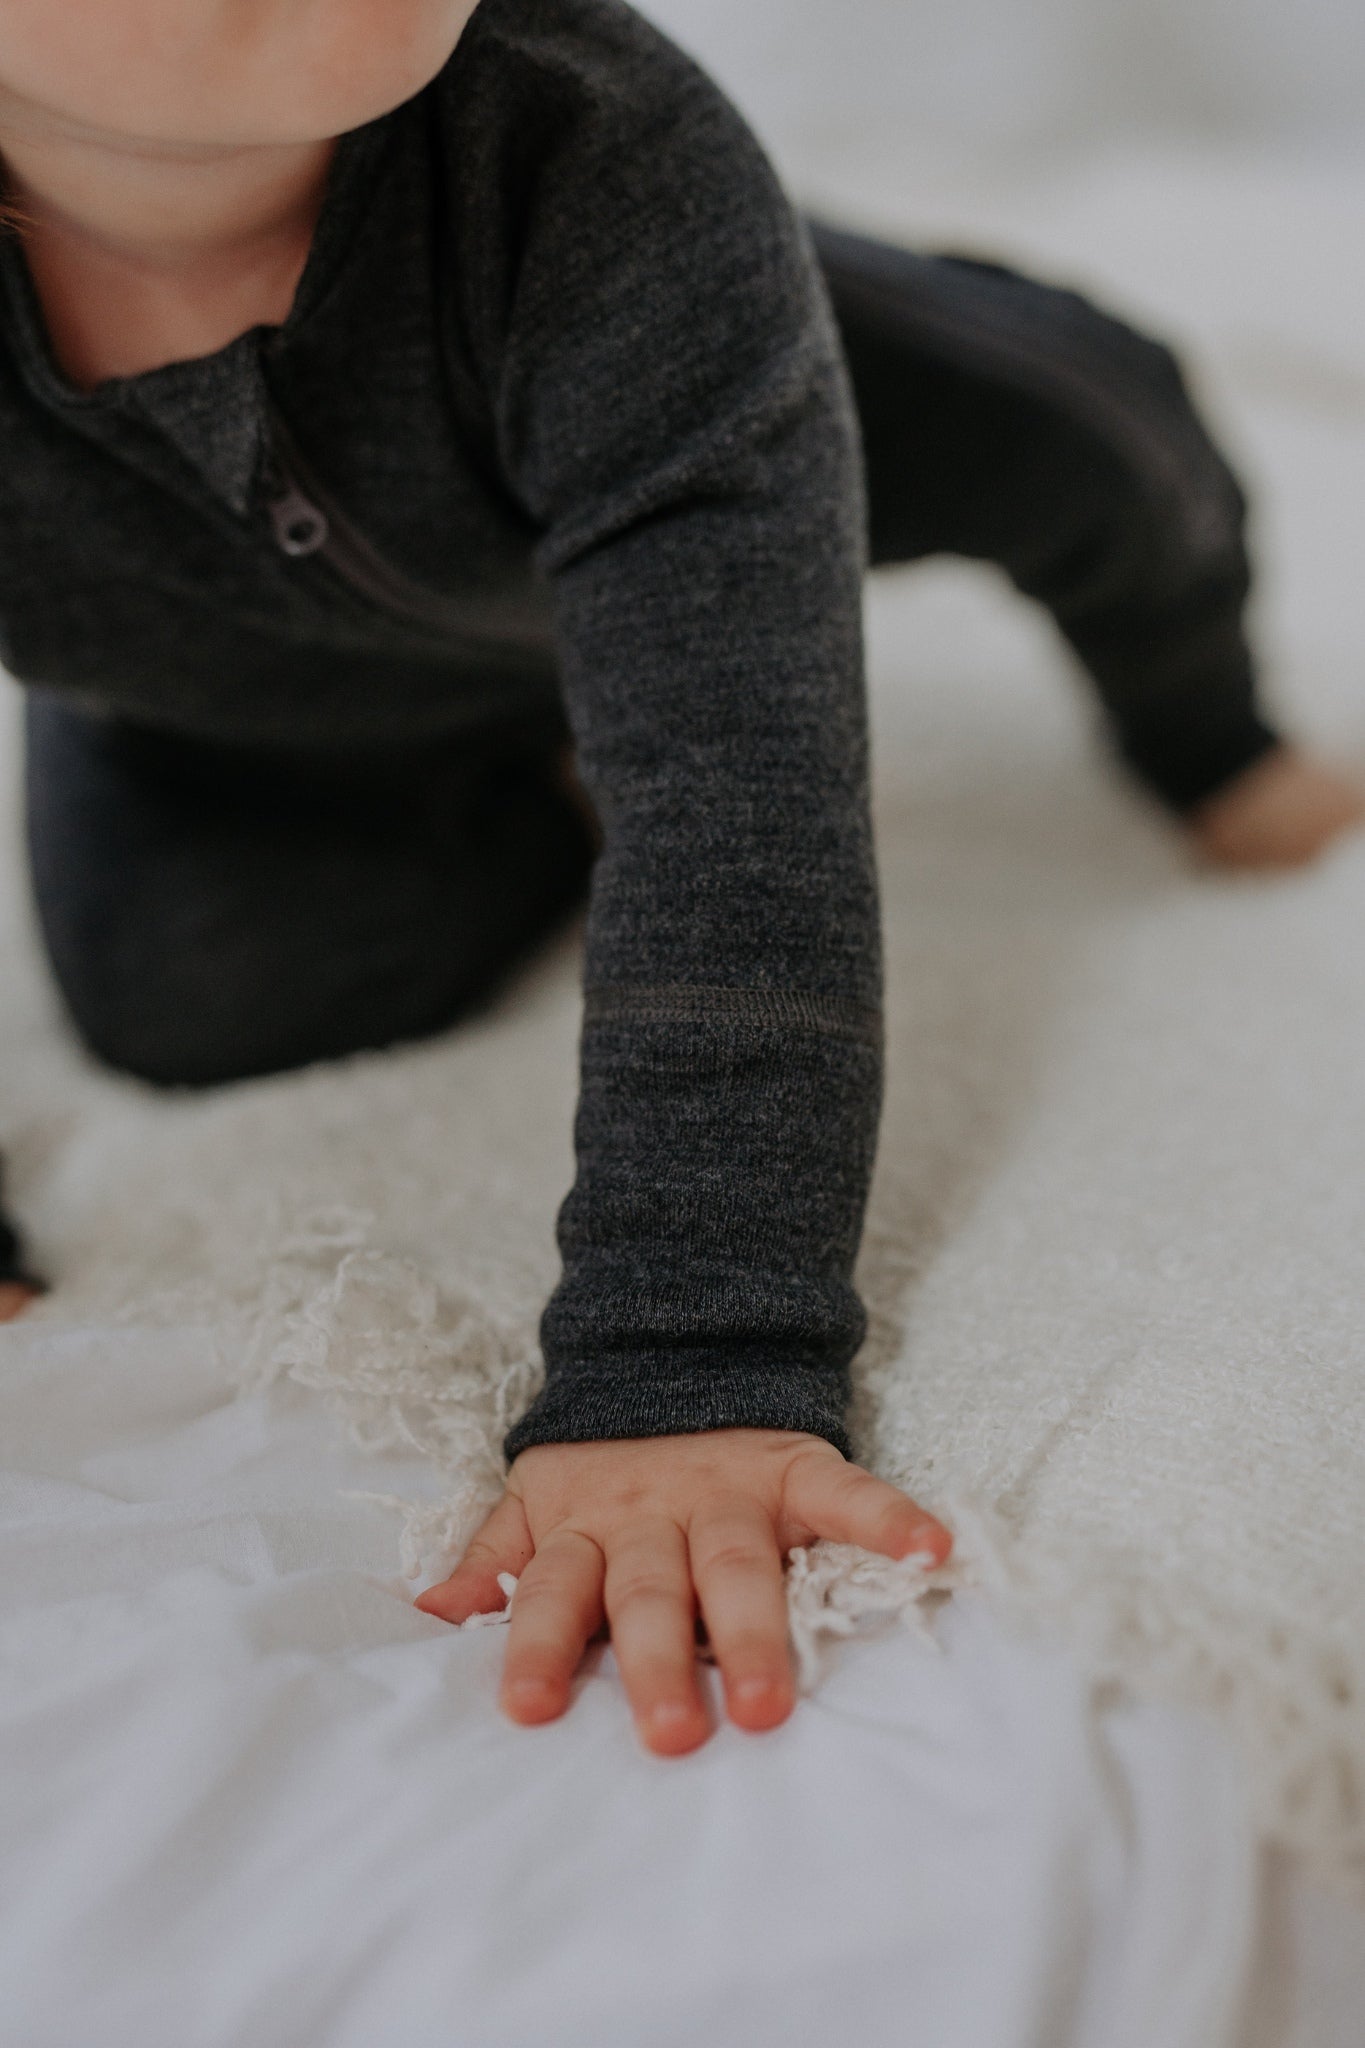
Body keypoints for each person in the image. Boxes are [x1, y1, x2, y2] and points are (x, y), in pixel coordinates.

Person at [0, 0, 1358, 1756]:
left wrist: (686, 1359)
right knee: (200, 998)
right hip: (225, 673)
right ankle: (545, 740)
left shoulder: (596, 155)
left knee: (1097, 446)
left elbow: (741, 781)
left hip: (683, 410)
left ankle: (1190, 714)